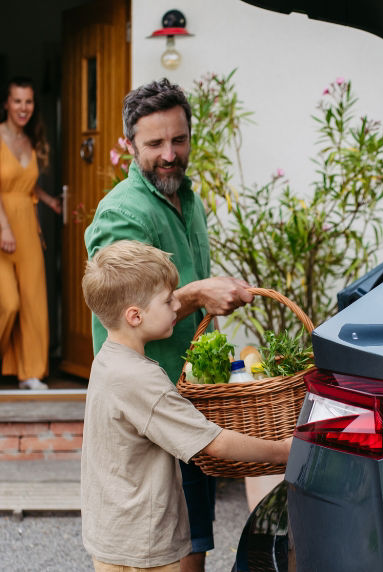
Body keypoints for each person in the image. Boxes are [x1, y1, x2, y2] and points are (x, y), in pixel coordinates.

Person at [84, 78, 254, 572]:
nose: (169, 154)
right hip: (150, 412)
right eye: (155, 143)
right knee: (164, 550)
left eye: (178, 140)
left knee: (193, 543)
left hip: (187, 399)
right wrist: (201, 291)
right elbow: (118, 304)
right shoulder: (122, 212)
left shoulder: (189, 198)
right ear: (131, 145)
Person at [80, 239, 291, 571]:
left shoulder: (108, 360)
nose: (177, 307)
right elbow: (214, 443)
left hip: (114, 534)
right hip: (141, 545)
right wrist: (285, 451)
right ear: (134, 316)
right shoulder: (140, 379)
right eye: (167, 301)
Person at [0, 76, 61, 390]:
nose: (23, 107)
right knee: (7, 302)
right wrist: (4, 226)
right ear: (7, 103)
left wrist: (50, 201)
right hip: (3, 226)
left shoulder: (29, 140)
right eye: (18, 101)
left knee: (34, 300)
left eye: (29, 101)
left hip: (28, 225)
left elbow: (26, 181)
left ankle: (30, 372)